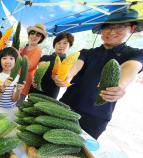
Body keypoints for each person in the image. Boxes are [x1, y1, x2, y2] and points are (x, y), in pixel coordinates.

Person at [53, 9, 143, 140]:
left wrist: (120, 86)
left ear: (132, 28)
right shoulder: (86, 52)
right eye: (108, 27)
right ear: (102, 30)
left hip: (95, 116)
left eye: (120, 27)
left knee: (77, 152)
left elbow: (131, 67)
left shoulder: (135, 54)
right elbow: (75, 66)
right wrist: (64, 77)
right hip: (66, 106)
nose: (112, 31)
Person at [31, 32, 75, 99]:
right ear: (54, 45)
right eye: (58, 43)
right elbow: (41, 69)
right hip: (36, 88)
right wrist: (34, 78)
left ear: (70, 45)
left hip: (52, 92)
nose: (61, 46)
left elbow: (67, 77)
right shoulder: (45, 57)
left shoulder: (69, 62)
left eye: (65, 43)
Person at [16, 23, 48, 105]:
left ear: (41, 38)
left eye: (38, 34)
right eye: (32, 32)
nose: (34, 36)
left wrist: (17, 53)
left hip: (23, 82)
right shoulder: (24, 47)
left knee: (16, 107)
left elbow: (29, 66)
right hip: (15, 79)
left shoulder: (38, 50)